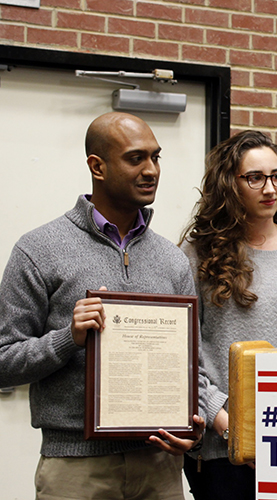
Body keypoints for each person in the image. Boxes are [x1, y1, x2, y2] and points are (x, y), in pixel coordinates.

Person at [0, 112, 205, 500]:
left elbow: (191, 366)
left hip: (160, 467)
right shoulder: (38, 249)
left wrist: (191, 427)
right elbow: (3, 360)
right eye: (135, 158)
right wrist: (67, 338)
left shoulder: (172, 259)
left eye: (156, 157)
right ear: (97, 165)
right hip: (76, 468)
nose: (151, 170)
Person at [179, 129, 277, 499]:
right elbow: (186, 356)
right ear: (228, 184)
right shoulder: (196, 253)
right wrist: (234, 427)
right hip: (223, 449)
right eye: (255, 178)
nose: (270, 189)